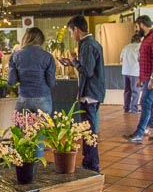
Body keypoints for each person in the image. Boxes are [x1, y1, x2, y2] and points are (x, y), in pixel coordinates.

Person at [62, 15, 105, 172]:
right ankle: (89, 161)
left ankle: (92, 164)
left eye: (71, 32)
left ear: (76, 29)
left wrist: (74, 62)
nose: (71, 36)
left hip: (89, 93)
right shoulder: (93, 44)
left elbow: (87, 70)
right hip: (94, 92)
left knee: (89, 131)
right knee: (89, 129)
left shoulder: (86, 45)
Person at [8, 28, 56, 159]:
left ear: (26, 38)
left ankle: (23, 165)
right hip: (43, 99)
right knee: (39, 137)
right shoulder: (48, 57)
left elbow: (11, 81)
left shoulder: (16, 56)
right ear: (41, 40)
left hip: (24, 99)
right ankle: (37, 165)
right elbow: (51, 82)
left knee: (21, 135)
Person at [125, 15, 153, 143]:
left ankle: (139, 133)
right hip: (148, 77)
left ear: (142, 24)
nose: (136, 29)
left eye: (137, 26)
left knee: (145, 102)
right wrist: (141, 77)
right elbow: (144, 60)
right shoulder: (147, 38)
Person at [120, 34, 141, 114]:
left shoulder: (126, 47)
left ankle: (126, 107)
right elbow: (140, 59)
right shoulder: (139, 47)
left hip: (125, 71)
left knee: (127, 90)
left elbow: (121, 59)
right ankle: (134, 108)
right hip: (135, 71)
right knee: (135, 91)